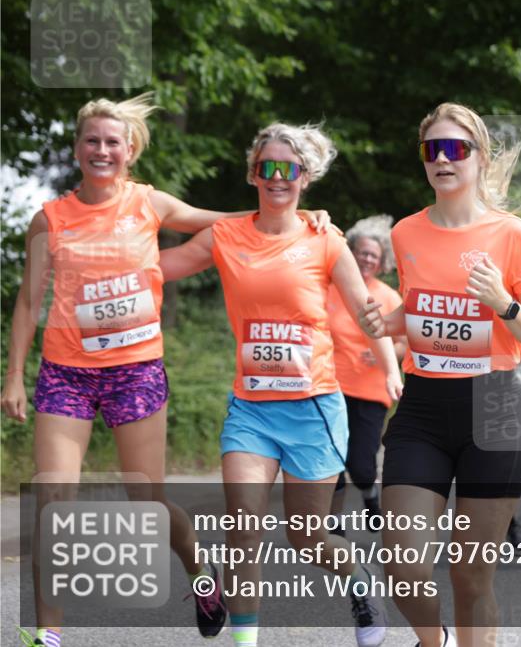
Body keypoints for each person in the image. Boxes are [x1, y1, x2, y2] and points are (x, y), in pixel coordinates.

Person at [1, 94, 322, 647]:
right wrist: (13, 377)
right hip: (66, 373)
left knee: (146, 501)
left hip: (136, 371)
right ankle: (48, 634)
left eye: (112, 142)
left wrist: (298, 218)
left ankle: (199, 571)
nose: (102, 150)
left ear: (130, 151)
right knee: (53, 500)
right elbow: (29, 302)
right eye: (92, 140)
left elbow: (227, 222)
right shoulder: (49, 218)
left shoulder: (148, 203)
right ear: (77, 149)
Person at [160, 122, 400, 647]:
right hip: (251, 410)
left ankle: (358, 580)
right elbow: (159, 267)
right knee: (243, 525)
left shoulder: (324, 239)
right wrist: (103, 250)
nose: (276, 177)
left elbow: (366, 307)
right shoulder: (226, 236)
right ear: (252, 174)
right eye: (266, 167)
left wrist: (390, 365)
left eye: (288, 169)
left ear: (304, 178)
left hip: (313, 409)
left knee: (307, 536)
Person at [358, 103, 521, 647]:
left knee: (470, 578)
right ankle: (437, 641)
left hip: (494, 409)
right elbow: (422, 307)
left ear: (480, 157)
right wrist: (389, 321)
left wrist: (503, 303)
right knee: (403, 567)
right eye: (432, 150)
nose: (442, 160)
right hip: (422, 410)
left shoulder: (513, 235)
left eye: (455, 149)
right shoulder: (406, 233)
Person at [327, 215, 406, 534]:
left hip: (371, 391)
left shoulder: (388, 297)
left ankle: (370, 492)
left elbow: (404, 343)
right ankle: (334, 522)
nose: (366, 259)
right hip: (329, 387)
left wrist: (382, 354)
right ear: (352, 253)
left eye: (373, 255)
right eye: (361, 252)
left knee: (360, 465)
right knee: (331, 460)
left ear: (382, 261)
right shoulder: (331, 288)